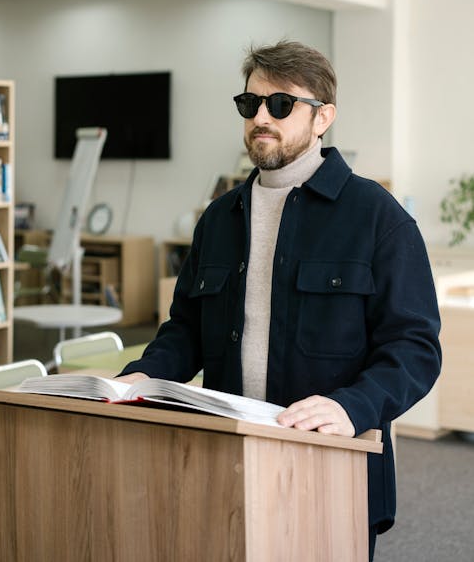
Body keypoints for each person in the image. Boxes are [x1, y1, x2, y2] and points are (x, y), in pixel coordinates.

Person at [118, 40, 441, 560]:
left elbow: (415, 348)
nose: (261, 117)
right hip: (228, 457)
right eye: (250, 105)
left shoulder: (378, 218)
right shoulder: (219, 218)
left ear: (323, 118)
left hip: (330, 464)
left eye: (281, 104)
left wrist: (351, 406)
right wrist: (144, 375)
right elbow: (184, 330)